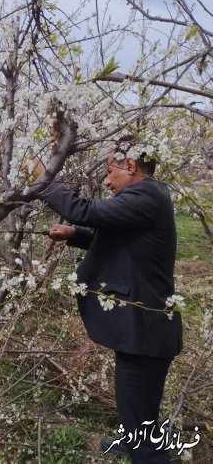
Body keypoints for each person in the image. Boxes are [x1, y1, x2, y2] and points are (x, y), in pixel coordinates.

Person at [31, 138, 183, 463]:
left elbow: (80, 210)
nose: (105, 180)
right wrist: (76, 235)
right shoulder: (150, 197)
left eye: (109, 170)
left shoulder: (144, 194)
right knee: (138, 410)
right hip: (146, 330)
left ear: (130, 165)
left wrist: (43, 179)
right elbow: (125, 244)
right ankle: (133, 437)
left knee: (142, 428)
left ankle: (140, 447)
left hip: (143, 334)